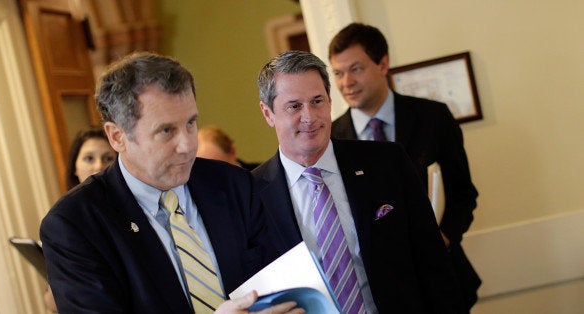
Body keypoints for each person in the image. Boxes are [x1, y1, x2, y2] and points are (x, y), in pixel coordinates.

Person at [40, 52, 302, 314]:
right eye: (166, 131)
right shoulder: (75, 225)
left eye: (190, 123)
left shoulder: (234, 185)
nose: (187, 145)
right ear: (117, 136)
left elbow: (283, 287)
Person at [253, 50, 465, 313]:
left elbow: (433, 263)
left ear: (330, 101)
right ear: (268, 113)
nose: (309, 117)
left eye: (317, 101)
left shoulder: (387, 162)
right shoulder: (251, 195)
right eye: (294, 106)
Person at [328, 23, 481, 310]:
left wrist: (444, 238)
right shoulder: (332, 139)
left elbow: (463, 193)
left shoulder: (433, 117)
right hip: (374, 295)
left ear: (383, 64)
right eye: (337, 72)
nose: (345, 82)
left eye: (356, 68)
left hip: (445, 283)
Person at [44, 126, 116, 313]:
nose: (98, 166)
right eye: (89, 158)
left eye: (108, 158)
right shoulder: (61, 221)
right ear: (75, 167)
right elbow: (52, 301)